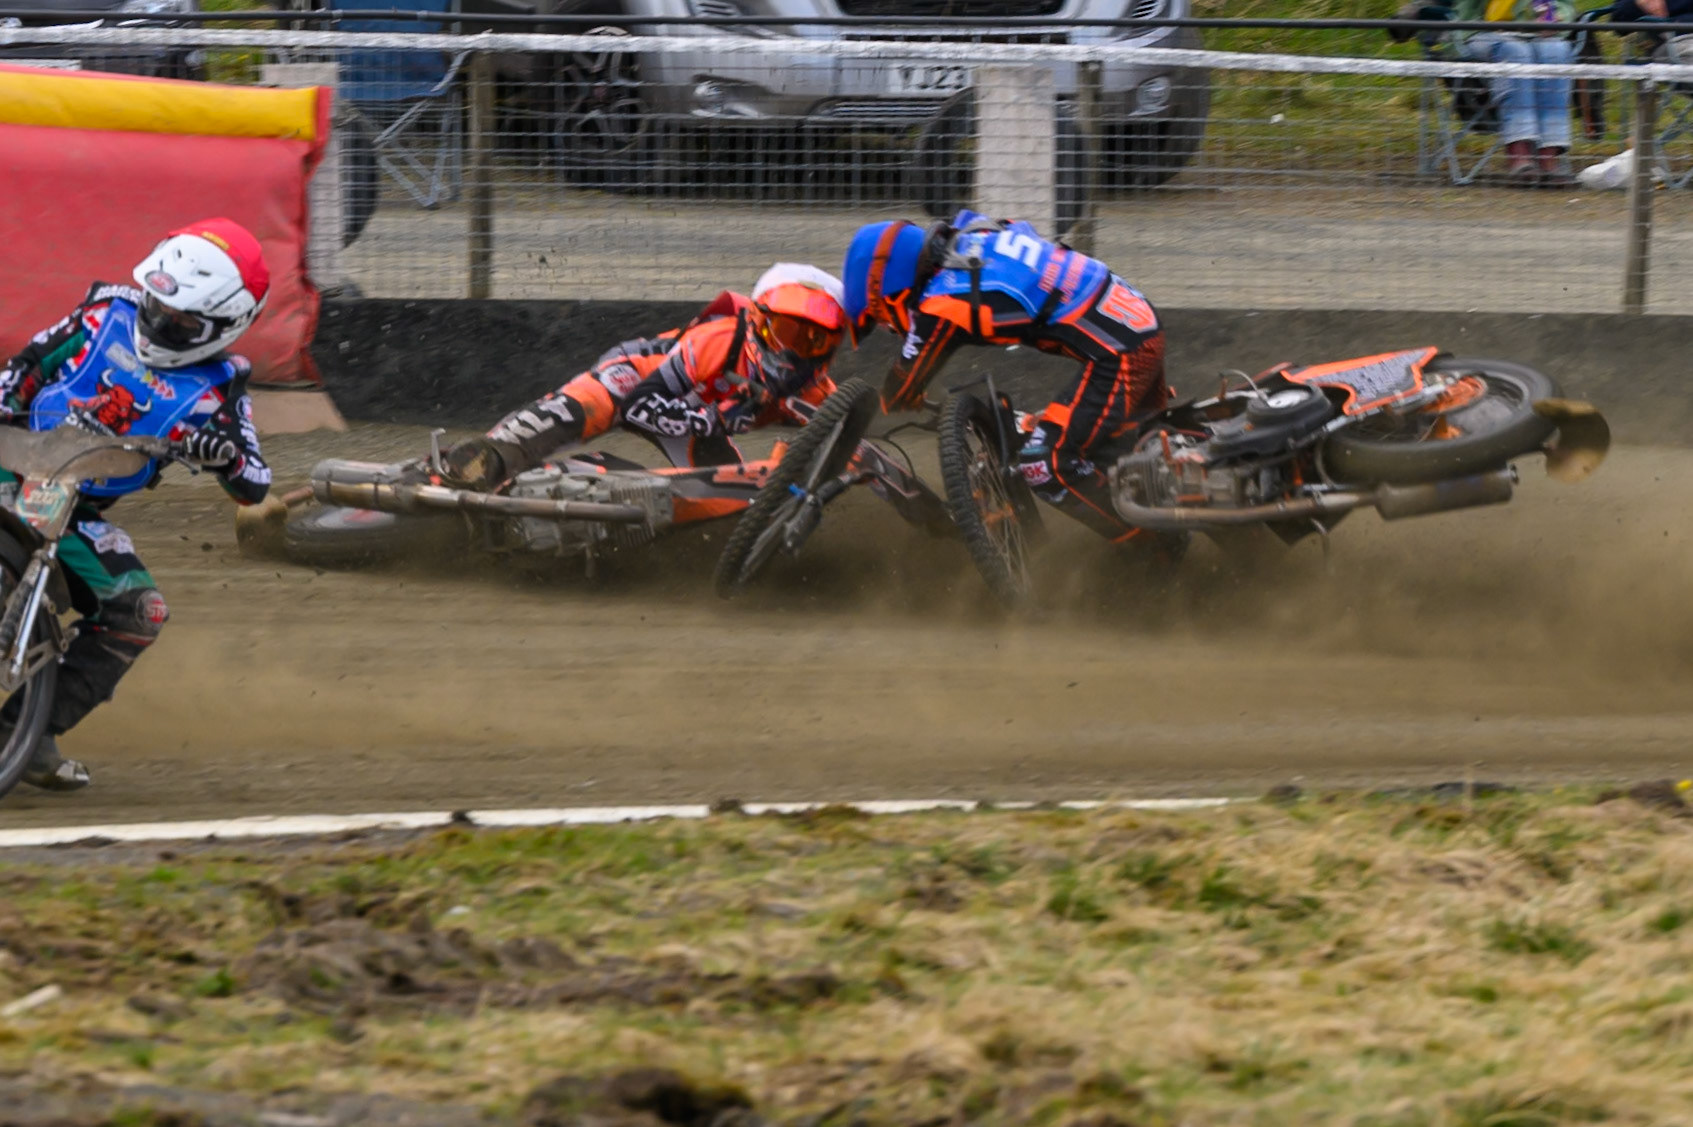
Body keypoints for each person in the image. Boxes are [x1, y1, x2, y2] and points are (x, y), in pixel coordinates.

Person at [0, 218, 273, 792]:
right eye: (156, 305)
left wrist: (222, 456)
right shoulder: (105, 312)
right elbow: (25, 369)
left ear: (225, 327)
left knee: (140, 611)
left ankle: (27, 730)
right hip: (11, 459)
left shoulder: (220, 390)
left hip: (74, 511)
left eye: (180, 323)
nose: (157, 322)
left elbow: (256, 482)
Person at [841, 210, 1168, 542]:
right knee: (1114, 445)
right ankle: (1164, 504)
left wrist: (884, 404)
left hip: (1122, 353)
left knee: (1046, 462)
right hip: (1135, 317)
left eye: (879, 316)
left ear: (891, 287)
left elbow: (901, 388)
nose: (887, 328)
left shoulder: (942, 303)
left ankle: (1152, 544)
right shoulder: (976, 233)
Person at [442, 263, 850, 488]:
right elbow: (639, 405)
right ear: (757, 323)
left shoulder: (817, 393)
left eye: (813, 341)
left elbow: (851, 446)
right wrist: (712, 420)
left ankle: (609, 491)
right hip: (635, 378)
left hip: (694, 422)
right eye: (786, 332)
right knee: (579, 408)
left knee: (725, 494)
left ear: (832, 349)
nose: (794, 350)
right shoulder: (720, 339)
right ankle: (473, 463)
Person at [1397, 0, 1580, 186]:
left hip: (1538, 34)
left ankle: (1549, 159)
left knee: (1558, 50)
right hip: (1480, 32)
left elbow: (1565, 5)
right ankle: (1520, 157)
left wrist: (1557, 18)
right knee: (1516, 51)